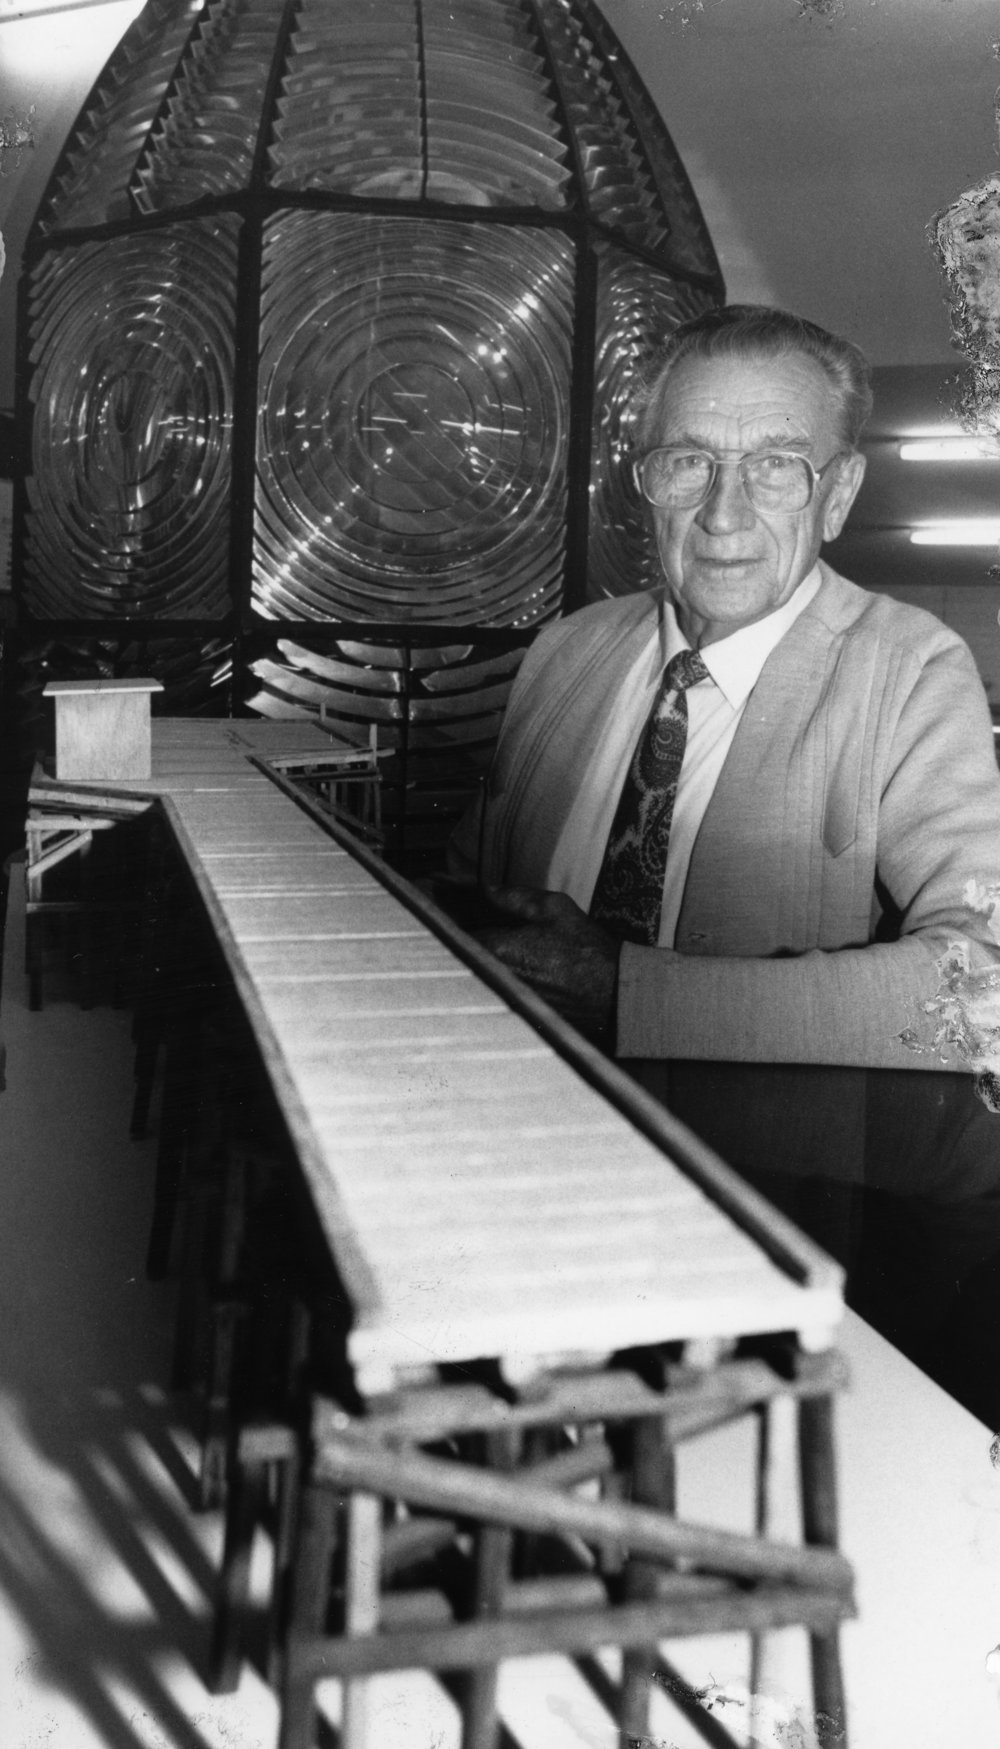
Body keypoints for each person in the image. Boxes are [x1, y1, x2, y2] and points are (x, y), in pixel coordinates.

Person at [447, 303, 1000, 1067]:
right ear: (647, 481)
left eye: (776, 467)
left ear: (837, 496)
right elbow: (464, 896)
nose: (723, 514)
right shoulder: (562, 654)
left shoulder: (911, 675)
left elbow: (984, 990)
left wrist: (631, 998)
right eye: (688, 461)